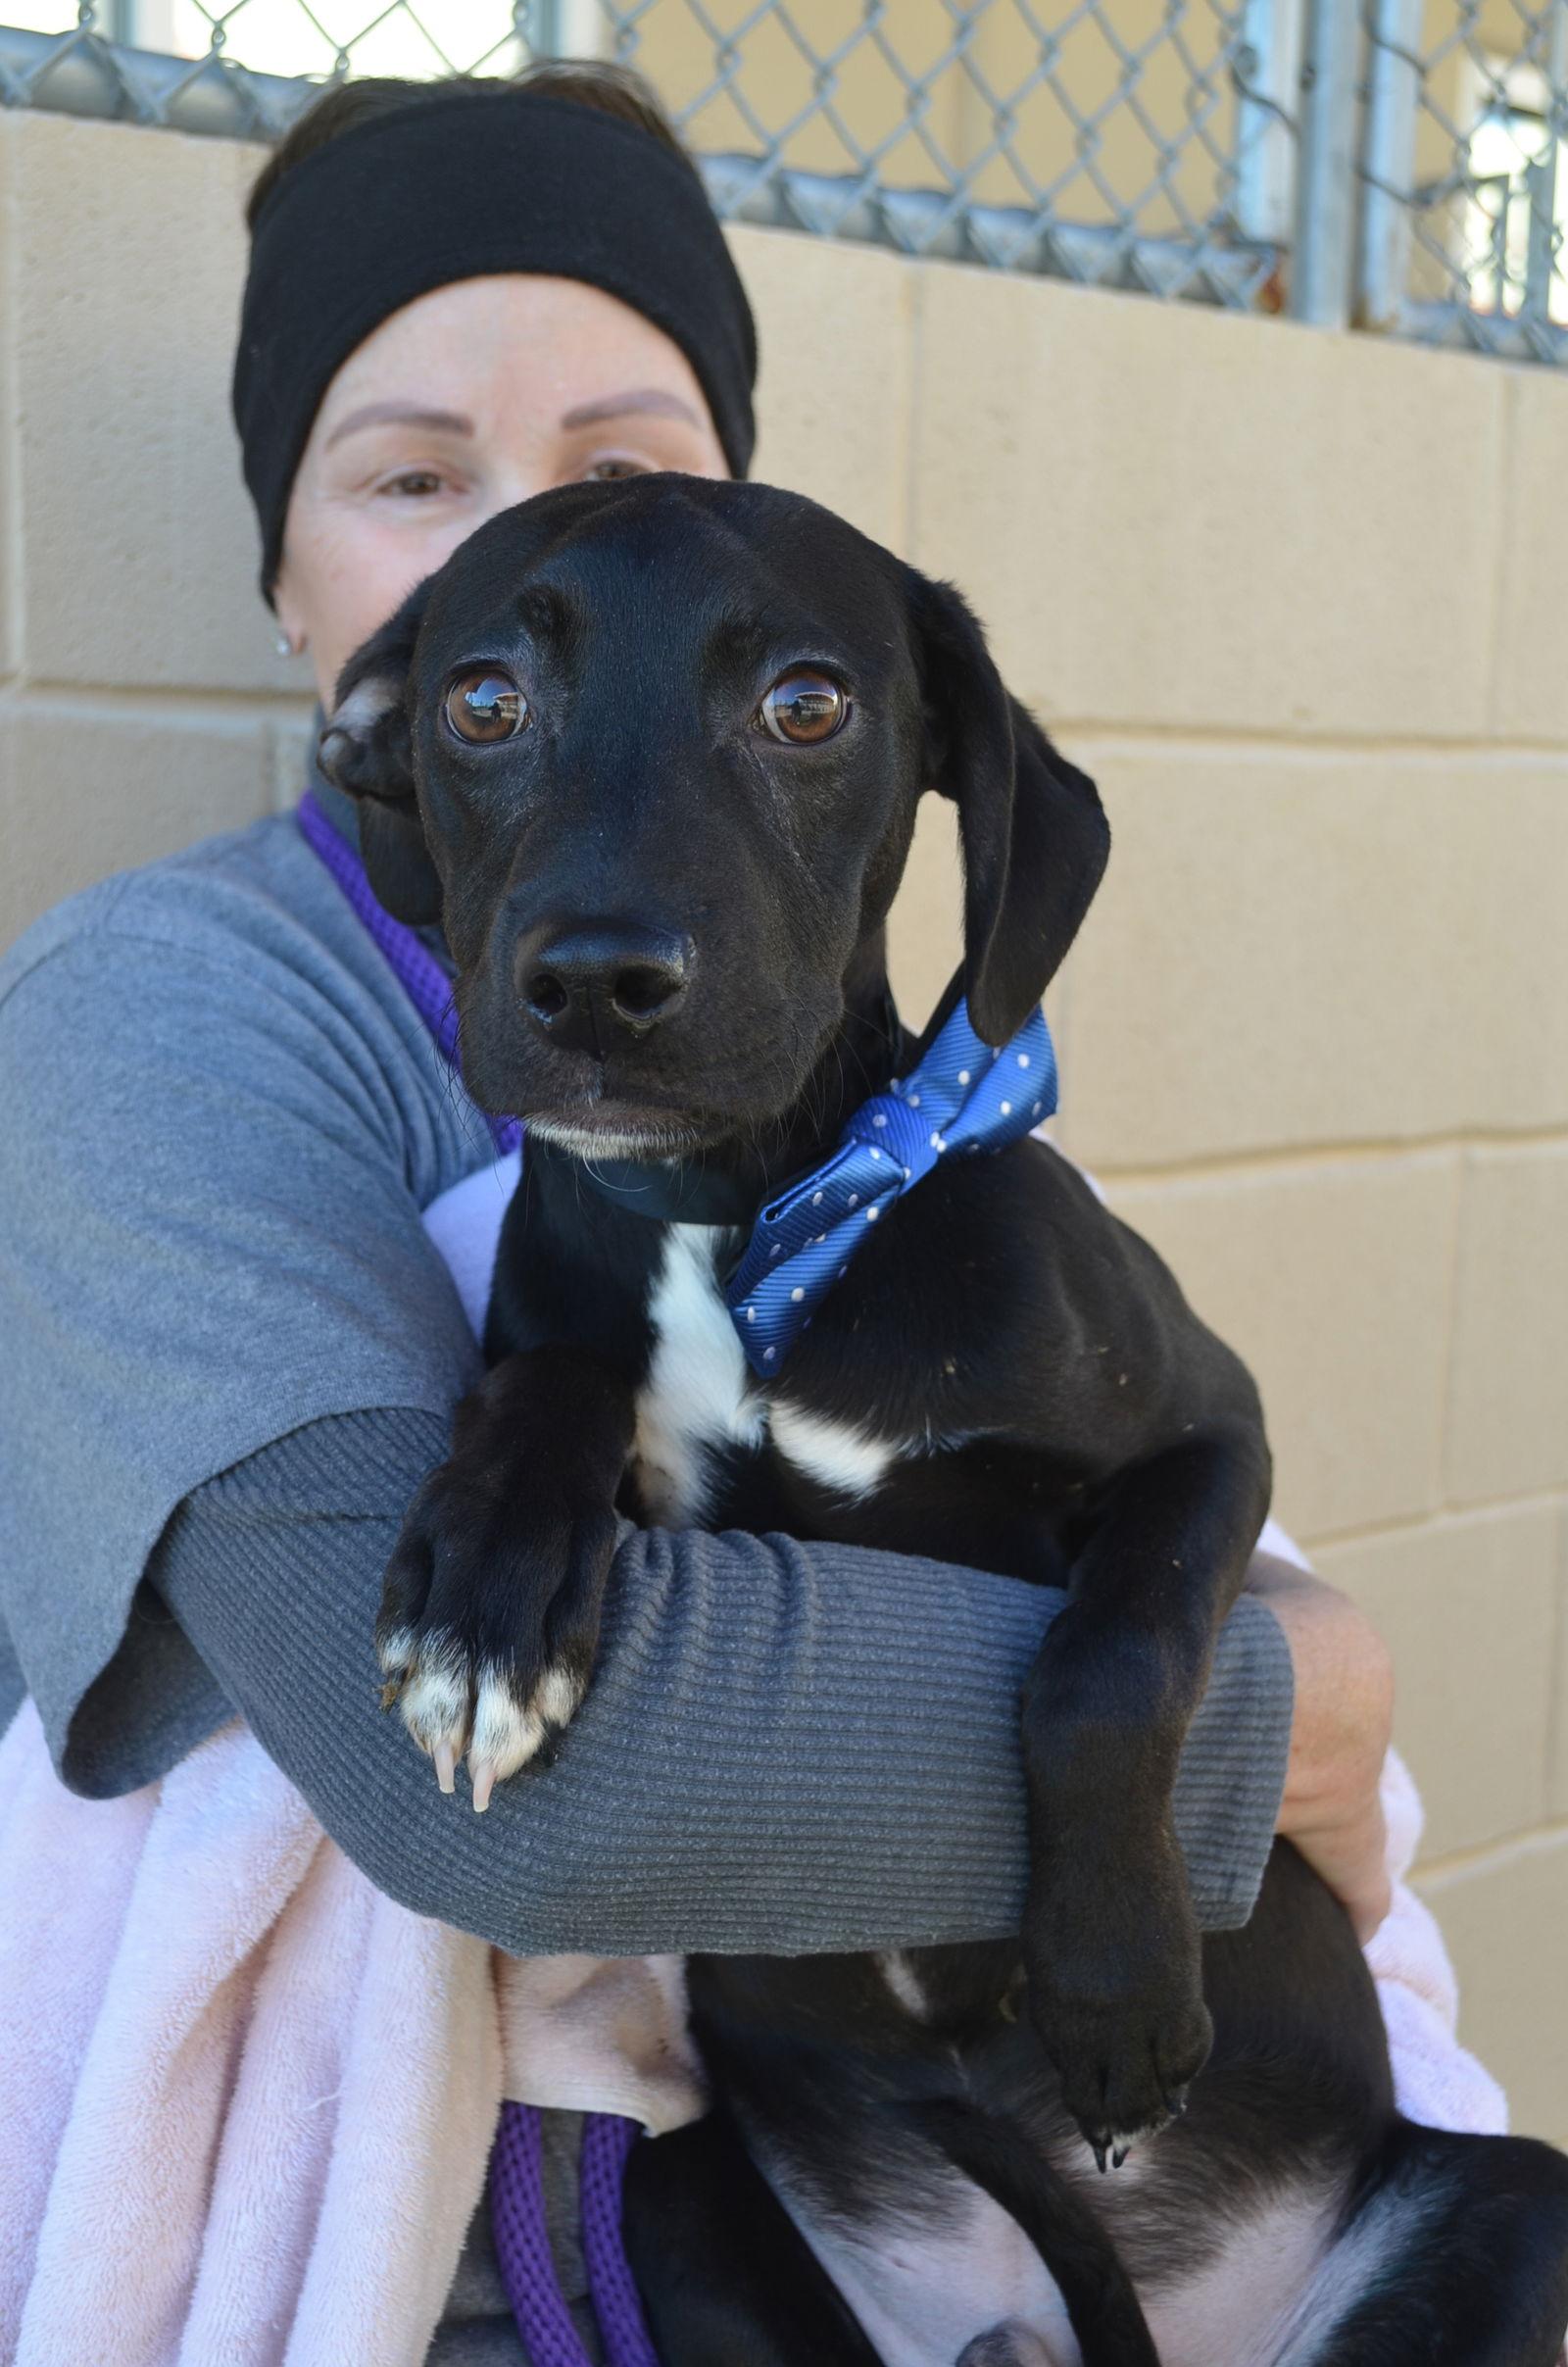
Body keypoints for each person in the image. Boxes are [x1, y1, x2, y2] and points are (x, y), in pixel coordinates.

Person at [0, 61, 1425, 2367]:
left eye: (631, 469)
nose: (550, 536)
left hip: (1110, 2128)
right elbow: (513, 1791)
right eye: (413, 482)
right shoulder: (150, 1020)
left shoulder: (873, 1122)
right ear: (320, 632)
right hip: (497, 2250)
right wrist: (1280, 1712)